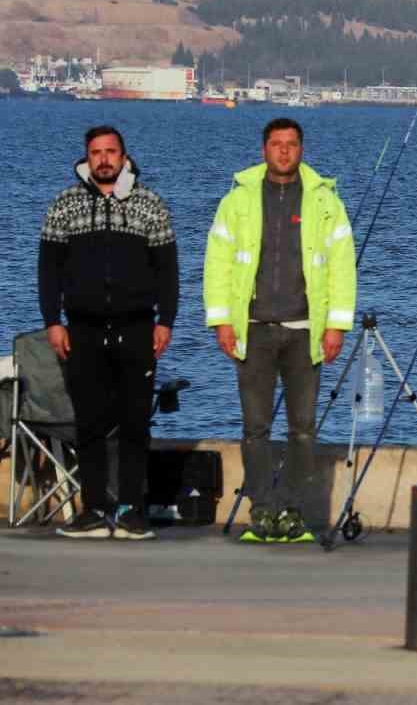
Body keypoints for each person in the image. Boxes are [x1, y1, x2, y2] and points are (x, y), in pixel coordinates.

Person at [204, 117, 356, 544]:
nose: (284, 151)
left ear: (302, 149)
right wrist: (221, 322)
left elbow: (343, 268)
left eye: (291, 144)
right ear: (264, 149)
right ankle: (262, 513)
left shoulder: (327, 202)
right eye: (276, 144)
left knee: (303, 429)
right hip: (253, 331)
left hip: (306, 332)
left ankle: (291, 512)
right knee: (255, 428)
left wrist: (336, 327)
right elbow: (217, 263)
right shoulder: (237, 201)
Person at [37, 125, 178, 540]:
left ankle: (134, 511)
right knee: (90, 424)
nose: (104, 159)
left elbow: (167, 270)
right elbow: (48, 270)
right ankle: (94, 510)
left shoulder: (149, 204)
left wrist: (165, 320)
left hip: (137, 329)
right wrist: (52, 321)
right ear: (87, 157)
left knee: (136, 422)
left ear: (124, 156)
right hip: (81, 330)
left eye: (111, 152)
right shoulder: (64, 204)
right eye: (96, 152)